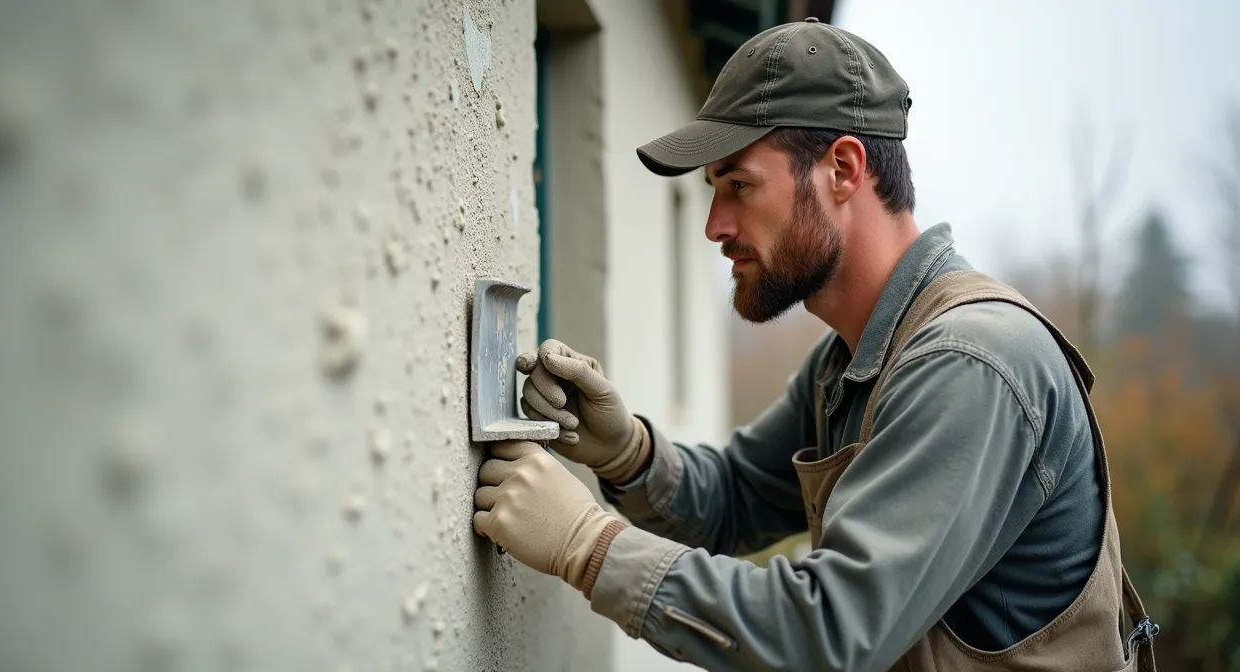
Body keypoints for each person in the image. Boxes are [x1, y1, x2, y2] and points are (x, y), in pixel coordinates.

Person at [472, 18, 1158, 672]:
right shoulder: (855, 359)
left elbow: (828, 635)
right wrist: (628, 454)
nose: (714, 225)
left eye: (738, 185)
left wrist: (587, 546)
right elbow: (737, 497)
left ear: (843, 169)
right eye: (713, 192)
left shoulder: (969, 364)